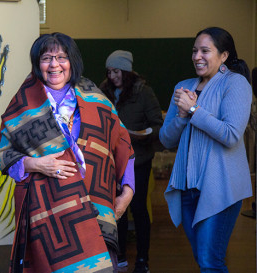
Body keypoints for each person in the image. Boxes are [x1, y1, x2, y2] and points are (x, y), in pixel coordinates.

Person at [0, 32, 135, 273]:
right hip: (49, 214)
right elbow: (3, 153)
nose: (54, 65)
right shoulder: (23, 101)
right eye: (46, 58)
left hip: (96, 204)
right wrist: (37, 164)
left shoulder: (94, 96)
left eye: (61, 57)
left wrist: (128, 191)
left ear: (72, 61)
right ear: (37, 64)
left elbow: (121, 140)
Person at [159, 27, 252, 272]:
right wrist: (181, 116)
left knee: (210, 261)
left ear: (223, 56)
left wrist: (193, 110)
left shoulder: (235, 83)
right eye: (194, 50)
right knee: (203, 259)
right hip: (187, 188)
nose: (197, 56)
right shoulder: (184, 86)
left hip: (220, 187)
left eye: (205, 50)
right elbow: (166, 140)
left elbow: (231, 135)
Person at [100, 50, 163, 273]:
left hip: (138, 161)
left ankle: (142, 260)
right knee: (117, 210)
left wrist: (139, 134)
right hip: (112, 162)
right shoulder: (103, 91)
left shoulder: (144, 93)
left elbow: (158, 126)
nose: (112, 76)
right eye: (109, 72)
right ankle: (121, 256)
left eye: (116, 71)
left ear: (126, 71)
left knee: (137, 208)